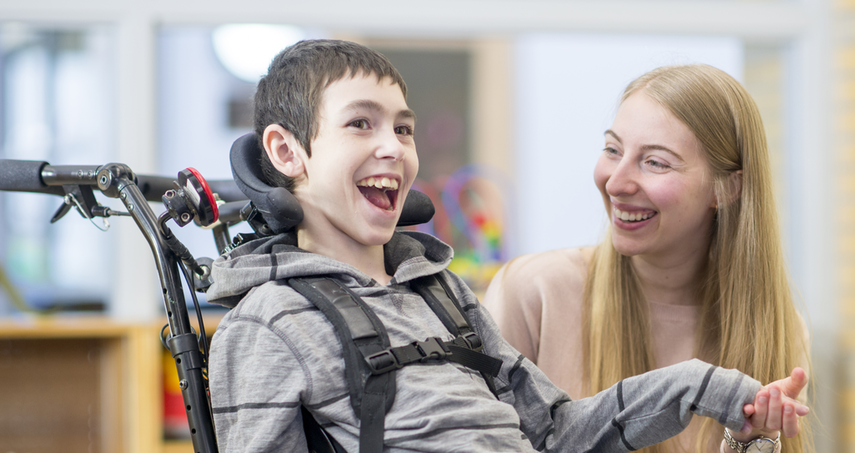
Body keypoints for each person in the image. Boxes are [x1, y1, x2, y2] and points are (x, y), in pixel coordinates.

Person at [206, 40, 804, 453]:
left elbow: (558, 431)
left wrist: (706, 386)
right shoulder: (268, 324)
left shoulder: (442, 295)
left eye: (404, 128)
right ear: (287, 153)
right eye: (361, 123)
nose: (393, 147)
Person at [484, 64, 812, 453]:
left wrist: (747, 443)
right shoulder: (532, 293)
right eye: (613, 150)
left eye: (655, 162)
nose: (615, 182)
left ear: (726, 188)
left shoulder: (776, 326)